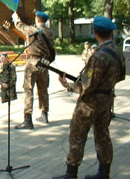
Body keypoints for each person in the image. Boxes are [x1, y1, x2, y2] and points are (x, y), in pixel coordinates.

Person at [53, 16, 125, 179]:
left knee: (77, 135)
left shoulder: (98, 56)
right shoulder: (117, 52)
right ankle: (104, 172)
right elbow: (121, 76)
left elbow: (87, 85)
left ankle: (71, 174)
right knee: (103, 135)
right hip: (107, 101)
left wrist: (69, 86)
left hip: (89, 104)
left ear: (95, 32)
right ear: (111, 32)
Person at [12, 11, 55, 129]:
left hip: (32, 63)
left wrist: (16, 17)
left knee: (28, 90)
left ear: (37, 19)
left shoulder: (33, 30)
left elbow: (20, 26)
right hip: (44, 64)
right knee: (43, 89)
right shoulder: (51, 33)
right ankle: (44, 114)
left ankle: (28, 119)